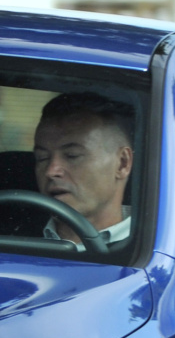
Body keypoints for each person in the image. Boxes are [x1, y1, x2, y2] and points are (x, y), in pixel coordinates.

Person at [33, 92, 135, 245]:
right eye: (42, 158)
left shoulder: (158, 246)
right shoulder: (9, 239)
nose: (51, 171)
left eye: (72, 155)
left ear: (122, 163)